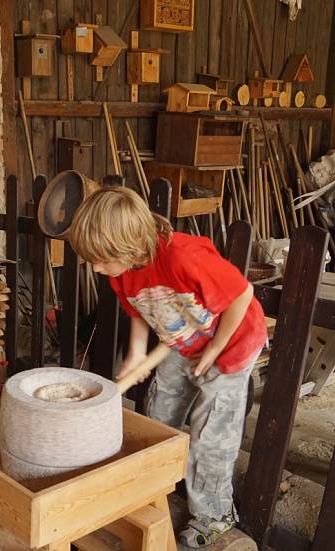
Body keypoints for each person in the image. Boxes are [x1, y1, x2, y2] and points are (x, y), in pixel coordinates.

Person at [67, 187, 267, 548]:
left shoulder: (183, 257)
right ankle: (155, 485)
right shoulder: (120, 269)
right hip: (183, 339)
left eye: (99, 259)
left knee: (211, 432)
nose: (94, 267)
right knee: (159, 411)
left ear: (127, 247)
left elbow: (242, 295)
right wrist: (137, 354)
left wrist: (216, 349)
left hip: (231, 342)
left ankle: (215, 514)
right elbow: (139, 308)